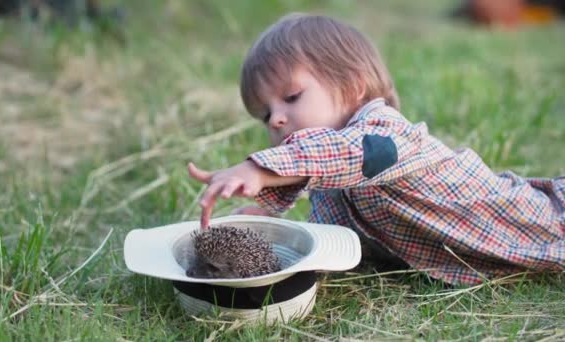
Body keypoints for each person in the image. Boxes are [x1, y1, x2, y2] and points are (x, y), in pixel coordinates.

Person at [187, 13, 564, 285]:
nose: (275, 120)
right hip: (481, 255)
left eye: (291, 97)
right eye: (266, 113)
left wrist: (259, 169)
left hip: (544, 223)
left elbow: (344, 154)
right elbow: (337, 237)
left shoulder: (383, 135)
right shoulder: (329, 183)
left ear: (352, 87)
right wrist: (266, 219)